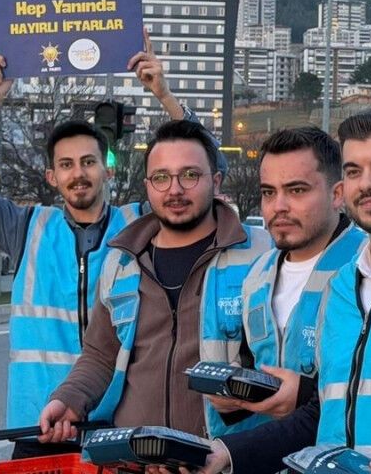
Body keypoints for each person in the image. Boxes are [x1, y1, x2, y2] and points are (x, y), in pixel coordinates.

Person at [0, 33, 216, 457]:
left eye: (88, 162)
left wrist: (164, 94)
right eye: (66, 165)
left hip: (116, 423)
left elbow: (207, 174)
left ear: (107, 170)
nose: (78, 173)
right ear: (52, 176)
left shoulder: (141, 225)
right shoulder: (25, 227)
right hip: (40, 424)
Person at [201, 108, 371, 474]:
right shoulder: (341, 287)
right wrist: (227, 453)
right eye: (353, 171)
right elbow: (326, 412)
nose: (367, 184)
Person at [38, 119, 271, 442]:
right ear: (148, 185)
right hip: (135, 456)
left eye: (190, 175)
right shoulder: (121, 261)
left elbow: (283, 361)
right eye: (161, 177)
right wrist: (69, 399)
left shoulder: (262, 253)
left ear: (216, 181)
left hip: (225, 455)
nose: (174, 190)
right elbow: (100, 355)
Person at [204, 126, 366, 437]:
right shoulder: (258, 274)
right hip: (265, 453)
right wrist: (233, 398)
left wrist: (305, 395)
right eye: (269, 192)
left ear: (337, 194)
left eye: (297, 191)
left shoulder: (369, 266)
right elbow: (254, 367)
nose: (279, 206)